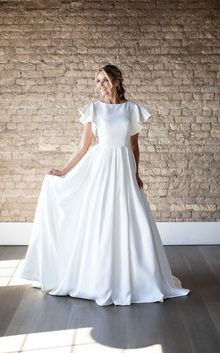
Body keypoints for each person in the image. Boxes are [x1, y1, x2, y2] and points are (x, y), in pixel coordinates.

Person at [19, 64, 190, 306]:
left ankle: (138, 277)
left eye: (105, 79)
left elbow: (133, 146)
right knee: (99, 219)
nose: (100, 84)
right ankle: (96, 277)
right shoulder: (94, 110)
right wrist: (64, 170)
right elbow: (83, 146)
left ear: (116, 81)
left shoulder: (131, 109)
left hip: (123, 167)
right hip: (101, 168)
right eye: (98, 80)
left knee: (132, 218)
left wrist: (136, 173)